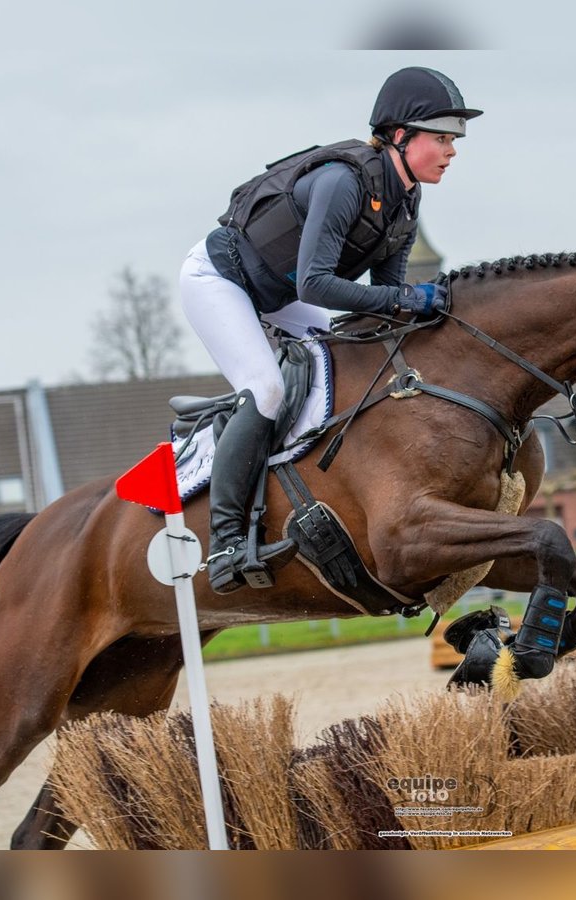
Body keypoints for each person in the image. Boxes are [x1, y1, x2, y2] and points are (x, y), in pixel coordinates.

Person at [179, 66, 482, 594]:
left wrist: (432, 315)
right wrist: (409, 297)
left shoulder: (406, 201)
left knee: (352, 357)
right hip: (221, 280)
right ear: (401, 136)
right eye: (441, 138)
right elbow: (320, 284)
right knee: (267, 388)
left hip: (281, 293)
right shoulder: (345, 182)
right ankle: (226, 540)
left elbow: (385, 307)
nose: (452, 150)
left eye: (453, 139)